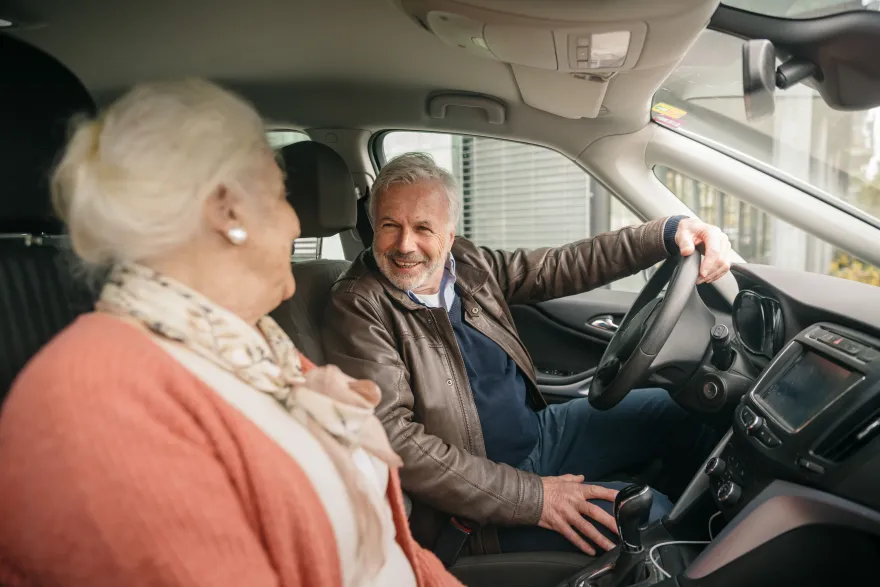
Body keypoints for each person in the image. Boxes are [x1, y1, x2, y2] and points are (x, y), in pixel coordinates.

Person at [0, 81, 463, 587]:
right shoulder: (94, 402)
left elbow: (388, 549)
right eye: (282, 195)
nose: (296, 224)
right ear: (227, 210)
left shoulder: (257, 350)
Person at [322, 152, 731, 556]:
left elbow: (559, 266)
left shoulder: (464, 263)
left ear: (449, 234)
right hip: (471, 509)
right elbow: (397, 441)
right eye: (390, 225)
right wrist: (535, 497)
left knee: (678, 412)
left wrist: (667, 233)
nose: (404, 244)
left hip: (537, 436)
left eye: (423, 227)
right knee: (654, 520)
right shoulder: (358, 304)